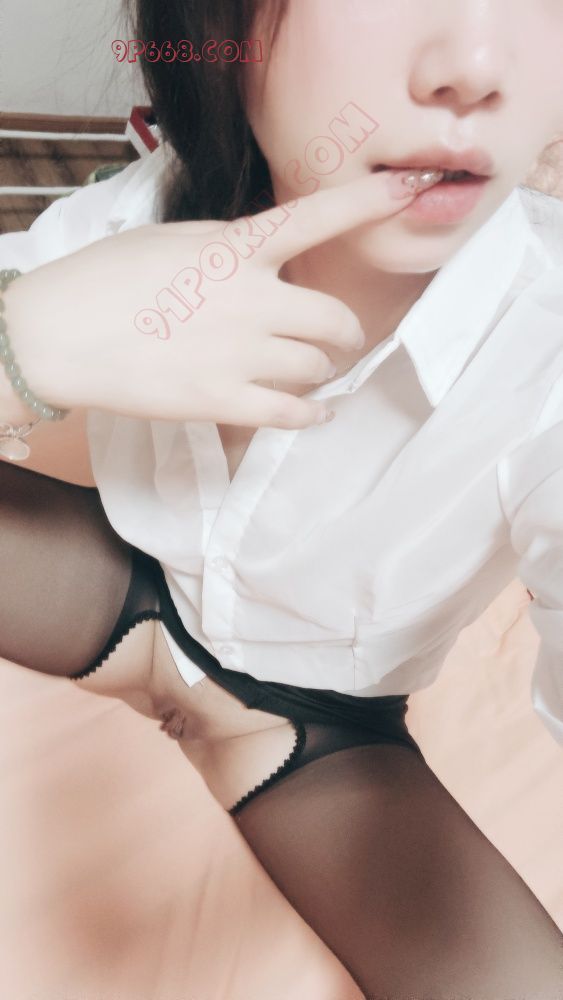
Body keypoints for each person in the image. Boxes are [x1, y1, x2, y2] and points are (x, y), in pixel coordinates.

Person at [1, 0, 563, 995]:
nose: (475, 65)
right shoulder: (134, 212)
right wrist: (24, 345)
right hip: (108, 585)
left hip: (325, 736)